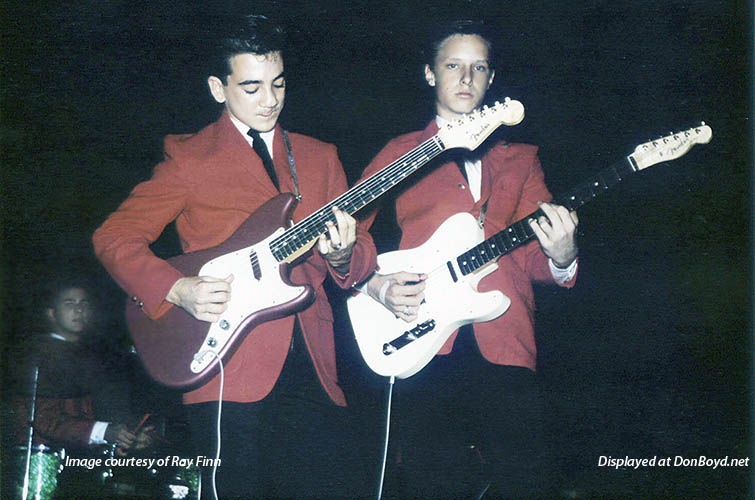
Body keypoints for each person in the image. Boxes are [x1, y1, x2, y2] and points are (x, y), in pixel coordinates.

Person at [92, 14, 376, 500]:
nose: (270, 100)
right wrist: (177, 288)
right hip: (224, 365)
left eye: (278, 84)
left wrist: (346, 254)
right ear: (217, 88)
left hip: (313, 364)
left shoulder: (319, 156)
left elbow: (359, 256)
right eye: (251, 87)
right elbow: (114, 236)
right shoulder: (189, 158)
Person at [357, 20, 579, 499]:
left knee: (523, 482)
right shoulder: (400, 153)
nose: (466, 78)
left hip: (505, 337)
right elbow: (346, 240)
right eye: (453, 65)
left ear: (491, 80)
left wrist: (562, 257)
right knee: (432, 482)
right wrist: (375, 285)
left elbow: (532, 260)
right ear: (429, 74)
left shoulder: (522, 158)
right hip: (425, 339)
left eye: (478, 67)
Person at [10, 277, 154, 456]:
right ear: (51, 314)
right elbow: (44, 419)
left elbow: (102, 415)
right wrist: (106, 432)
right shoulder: (35, 353)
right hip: (39, 461)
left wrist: (129, 435)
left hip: (82, 463)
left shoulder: (93, 357)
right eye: (70, 304)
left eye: (84, 304)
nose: (79, 310)